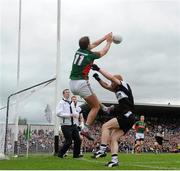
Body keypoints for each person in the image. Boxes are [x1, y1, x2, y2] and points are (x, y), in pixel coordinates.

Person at [69, 33, 113, 140]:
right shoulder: (90, 56)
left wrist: (104, 37)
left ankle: (105, 108)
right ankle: (86, 128)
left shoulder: (79, 50)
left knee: (93, 96)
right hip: (81, 83)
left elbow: (93, 44)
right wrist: (109, 42)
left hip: (72, 83)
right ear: (87, 45)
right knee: (95, 107)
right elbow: (103, 52)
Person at [91, 64, 136, 167]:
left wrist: (99, 69)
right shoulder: (117, 89)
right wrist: (98, 79)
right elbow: (106, 85)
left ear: (117, 81)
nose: (111, 83)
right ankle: (114, 160)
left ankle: (102, 149)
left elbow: (111, 77)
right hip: (129, 117)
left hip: (127, 115)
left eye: (113, 82)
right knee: (113, 138)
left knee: (105, 126)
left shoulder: (124, 85)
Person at [56, 89, 82, 158]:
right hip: (65, 125)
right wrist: (69, 115)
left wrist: (76, 114)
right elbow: (58, 113)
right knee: (69, 141)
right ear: (63, 94)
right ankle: (60, 154)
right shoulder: (61, 103)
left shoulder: (71, 102)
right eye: (66, 92)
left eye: (68, 92)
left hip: (73, 124)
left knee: (78, 140)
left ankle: (76, 155)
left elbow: (74, 111)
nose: (68, 93)